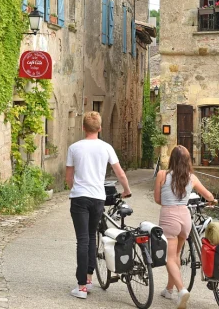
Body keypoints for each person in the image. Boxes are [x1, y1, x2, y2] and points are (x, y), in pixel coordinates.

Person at [66, 111, 132, 299]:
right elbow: (120, 173)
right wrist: (126, 189)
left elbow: (68, 177)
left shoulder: (74, 148)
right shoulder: (106, 148)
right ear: (100, 128)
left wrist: (75, 188)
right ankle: (88, 278)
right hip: (98, 198)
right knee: (92, 238)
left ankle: (81, 287)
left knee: (82, 239)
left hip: (79, 198)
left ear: (83, 128)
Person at [154, 145, 216, 309]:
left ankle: (181, 290)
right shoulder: (192, 178)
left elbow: (157, 199)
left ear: (172, 159)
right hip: (185, 218)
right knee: (177, 255)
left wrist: (168, 201)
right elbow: (209, 195)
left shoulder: (162, 175)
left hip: (169, 217)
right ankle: (169, 289)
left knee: (169, 258)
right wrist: (212, 201)